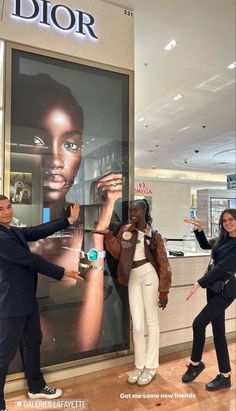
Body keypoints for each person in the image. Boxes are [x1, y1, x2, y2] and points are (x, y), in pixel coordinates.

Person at [11, 73, 123, 354]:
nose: (56, 161)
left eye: (70, 145)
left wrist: (98, 229)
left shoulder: (84, 223)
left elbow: (85, 344)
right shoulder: (16, 232)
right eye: (38, 139)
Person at [0, 195, 81, 411]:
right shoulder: (1, 237)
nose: (7, 212)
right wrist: (63, 272)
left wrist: (67, 221)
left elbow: (37, 231)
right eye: (1, 209)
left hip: (26, 299)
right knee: (5, 352)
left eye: (9, 207)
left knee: (32, 342)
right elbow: (32, 260)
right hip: (10, 303)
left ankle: (36, 386)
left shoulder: (13, 231)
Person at [93, 199, 172, 385]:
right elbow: (119, 253)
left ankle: (151, 366)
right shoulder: (126, 231)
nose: (132, 214)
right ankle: (139, 365)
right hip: (133, 278)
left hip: (149, 275)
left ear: (144, 210)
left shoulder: (153, 235)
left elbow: (164, 265)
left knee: (151, 321)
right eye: (131, 211)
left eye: (136, 210)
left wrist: (164, 291)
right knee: (136, 325)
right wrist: (108, 237)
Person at [182, 209, 236, 391]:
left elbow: (222, 268)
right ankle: (225, 375)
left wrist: (199, 282)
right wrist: (199, 230)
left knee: (198, 324)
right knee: (218, 331)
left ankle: (196, 364)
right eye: (224, 221)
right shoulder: (224, 239)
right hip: (214, 288)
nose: (227, 223)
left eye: (231, 220)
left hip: (226, 291)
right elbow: (206, 245)